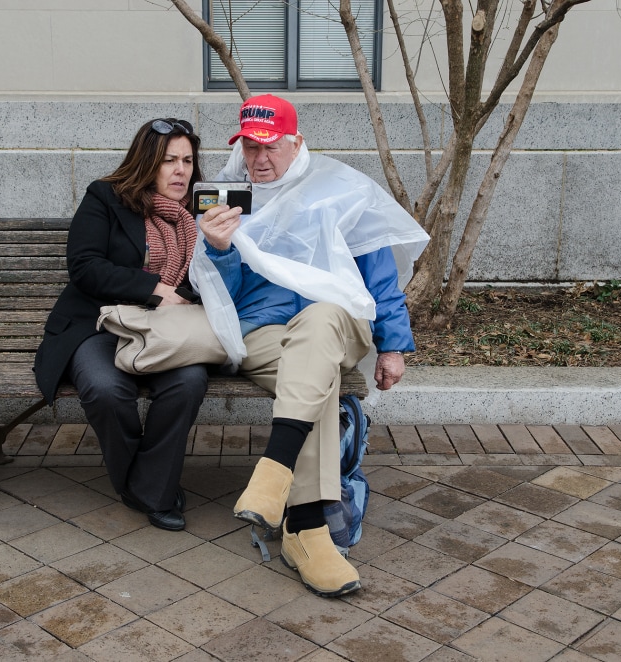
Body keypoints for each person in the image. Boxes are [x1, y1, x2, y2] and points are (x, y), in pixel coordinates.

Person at [191, 95, 429, 596]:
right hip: (262, 334)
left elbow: (379, 278)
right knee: (313, 381)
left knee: (319, 321)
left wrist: (393, 346)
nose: (259, 159)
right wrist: (217, 250)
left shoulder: (339, 191)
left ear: (296, 142)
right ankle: (305, 533)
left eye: (270, 146)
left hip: (338, 323)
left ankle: (275, 472)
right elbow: (221, 299)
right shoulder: (229, 199)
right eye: (249, 147)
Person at [34, 118, 208, 532]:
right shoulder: (106, 198)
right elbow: (85, 266)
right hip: (98, 323)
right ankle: (149, 485)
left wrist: (218, 246)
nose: (180, 170)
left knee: (188, 383)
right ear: (147, 162)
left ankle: (148, 487)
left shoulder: (203, 210)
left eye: (187, 160)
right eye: (169, 161)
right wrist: (155, 288)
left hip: (171, 328)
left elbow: (213, 277)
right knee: (106, 390)